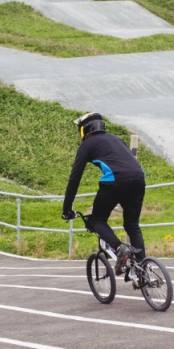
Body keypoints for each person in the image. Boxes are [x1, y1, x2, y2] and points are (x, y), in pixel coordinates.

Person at [61, 112, 146, 270]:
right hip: (139, 179)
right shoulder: (116, 139)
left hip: (115, 181)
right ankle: (143, 269)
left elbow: (74, 179)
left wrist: (66, 208)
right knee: (132, 225)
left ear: (84, 129)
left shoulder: (87, 145)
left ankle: (120, 248)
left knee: (97, 220)